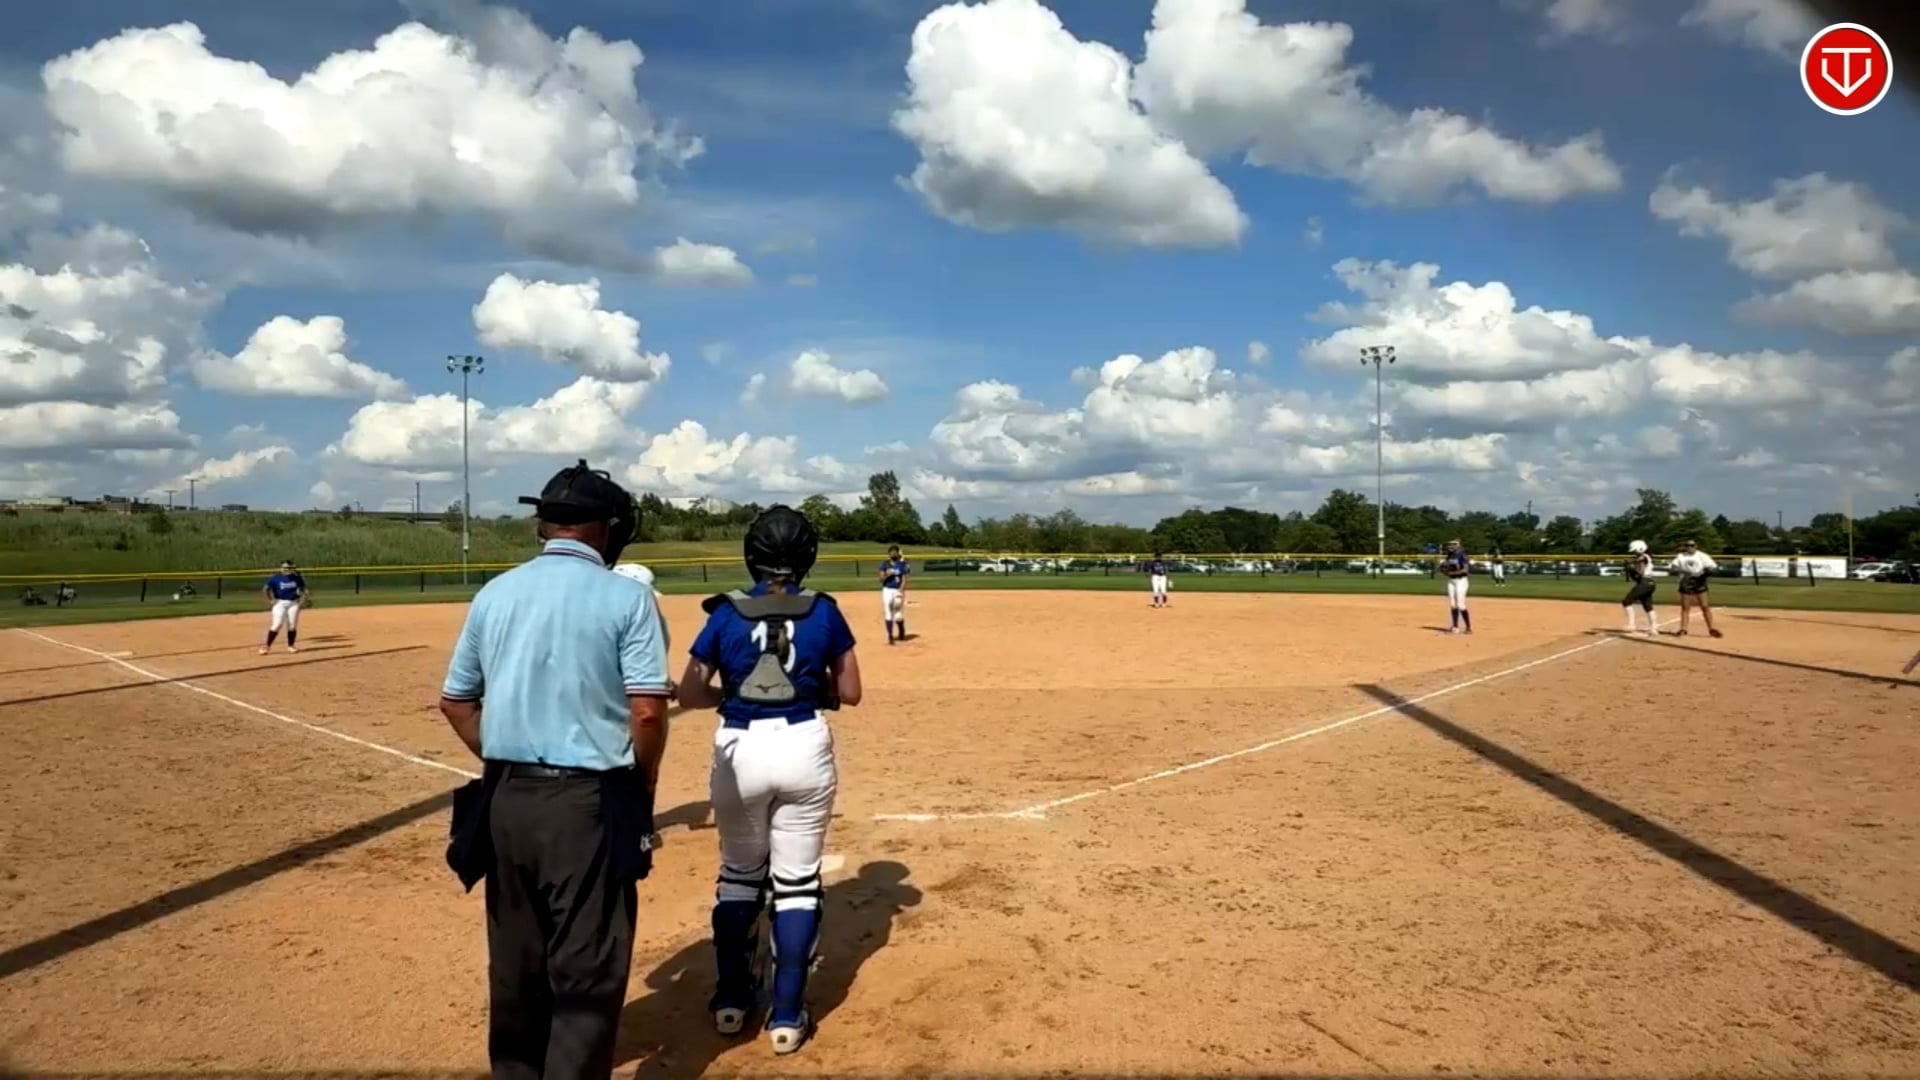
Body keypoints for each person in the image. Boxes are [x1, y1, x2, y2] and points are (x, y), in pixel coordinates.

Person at [437, 459, 673, 1080]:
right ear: (607, 527)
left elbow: (456, 702)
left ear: (544, 524)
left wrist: (507, 753)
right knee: (587, 970)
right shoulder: (628, 596)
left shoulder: (495, 592)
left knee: (516, 964)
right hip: (587, 801)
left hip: (506, 799)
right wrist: (642, 782)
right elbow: (648, 711)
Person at [674, 505, 864, 1056]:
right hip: (803, 744)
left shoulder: (725, 612)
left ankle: (732, 1001)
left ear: (751, 555)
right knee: (797, 882)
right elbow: (850, 692)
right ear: (808, 557)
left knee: (740, 876)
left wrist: (729, 695)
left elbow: (691, 692)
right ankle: (786, 1016)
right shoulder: (825, 611)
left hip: (740, 748)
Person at [1668, 538, 1723, 638]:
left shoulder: (1702, 556)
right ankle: (1683, 629)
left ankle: (1711, 628)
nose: (1690, 547)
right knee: (1685, 607)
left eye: (1692, 545)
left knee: (1705, 606)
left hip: (1699, 581)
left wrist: (1704, 573)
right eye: (1687, 545)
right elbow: (1673, 568)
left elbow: (1712, 567)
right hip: (1686, 581)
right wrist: (1683, 571)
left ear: (1696, 546)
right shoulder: (1681, 556)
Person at [260, 560, 308, 654]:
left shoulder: (297, 578)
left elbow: (303, 588)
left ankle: (291, 646)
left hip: (294, 603)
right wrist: (271, 599)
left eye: (289, 567)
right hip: (280, 603)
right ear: (281, 568)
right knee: (277, 624)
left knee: (292, 625)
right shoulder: (275, 578)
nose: (287, 569)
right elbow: (266, 589)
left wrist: (305, 598)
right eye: (285, 567)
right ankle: (267, 646)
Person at [1621, 540, 1657, 635]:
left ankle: (1631, 624)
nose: (1634, 553)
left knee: (1627, 601)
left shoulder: (1643, 557)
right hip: (1649, 583)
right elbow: (1637, 576)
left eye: (1635, 551)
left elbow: (1641, 572)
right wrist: (1632, 570)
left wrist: (1632, 569)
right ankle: (1653, 628)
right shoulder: (1645, 557)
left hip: (1645, 583)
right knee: (1648, 606)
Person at [877, 544, 910, 644]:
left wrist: (900, 591)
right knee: (888, 610)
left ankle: (901, 629)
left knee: (897, 613)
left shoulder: (901, 564)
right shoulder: (885, 564)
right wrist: (887, 574)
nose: (893, 554)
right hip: (887, 590)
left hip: (897, 590)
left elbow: (904, 580)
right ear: (888, 554)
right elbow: (880, 579)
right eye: (891, 552)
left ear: (897, 554)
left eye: (895, 552)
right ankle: (890, 635)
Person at [1441, 539, 1472, 634]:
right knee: (1453, 605)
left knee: (1460, 605)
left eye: (1454, 544)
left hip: (1461, 581)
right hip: (1451, 581)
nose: (1451, 546)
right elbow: (1446, 567)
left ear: (1459, 546)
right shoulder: (1449, 555)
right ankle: (1455, 627)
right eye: (1450, 544)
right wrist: (1444, 569)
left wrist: (1451, 572)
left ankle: (1468, 628)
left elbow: (1465, 570)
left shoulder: (1462, 555)